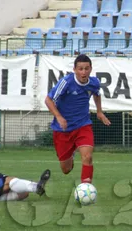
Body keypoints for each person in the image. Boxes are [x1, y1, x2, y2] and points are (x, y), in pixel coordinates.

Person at [45, 54, 110, 184]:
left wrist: (99, 111)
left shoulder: (94, 82)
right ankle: (72, 153)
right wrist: (59, 117)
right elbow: (48, 100)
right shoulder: (66, 82)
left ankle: (86, 188)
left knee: (88, 156)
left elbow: (96, 94)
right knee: (66, 169)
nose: (83, 72)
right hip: (63, 129)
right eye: (80, 69)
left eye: (86, 68)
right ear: (74, 69)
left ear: (91, 69)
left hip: (83, 125)